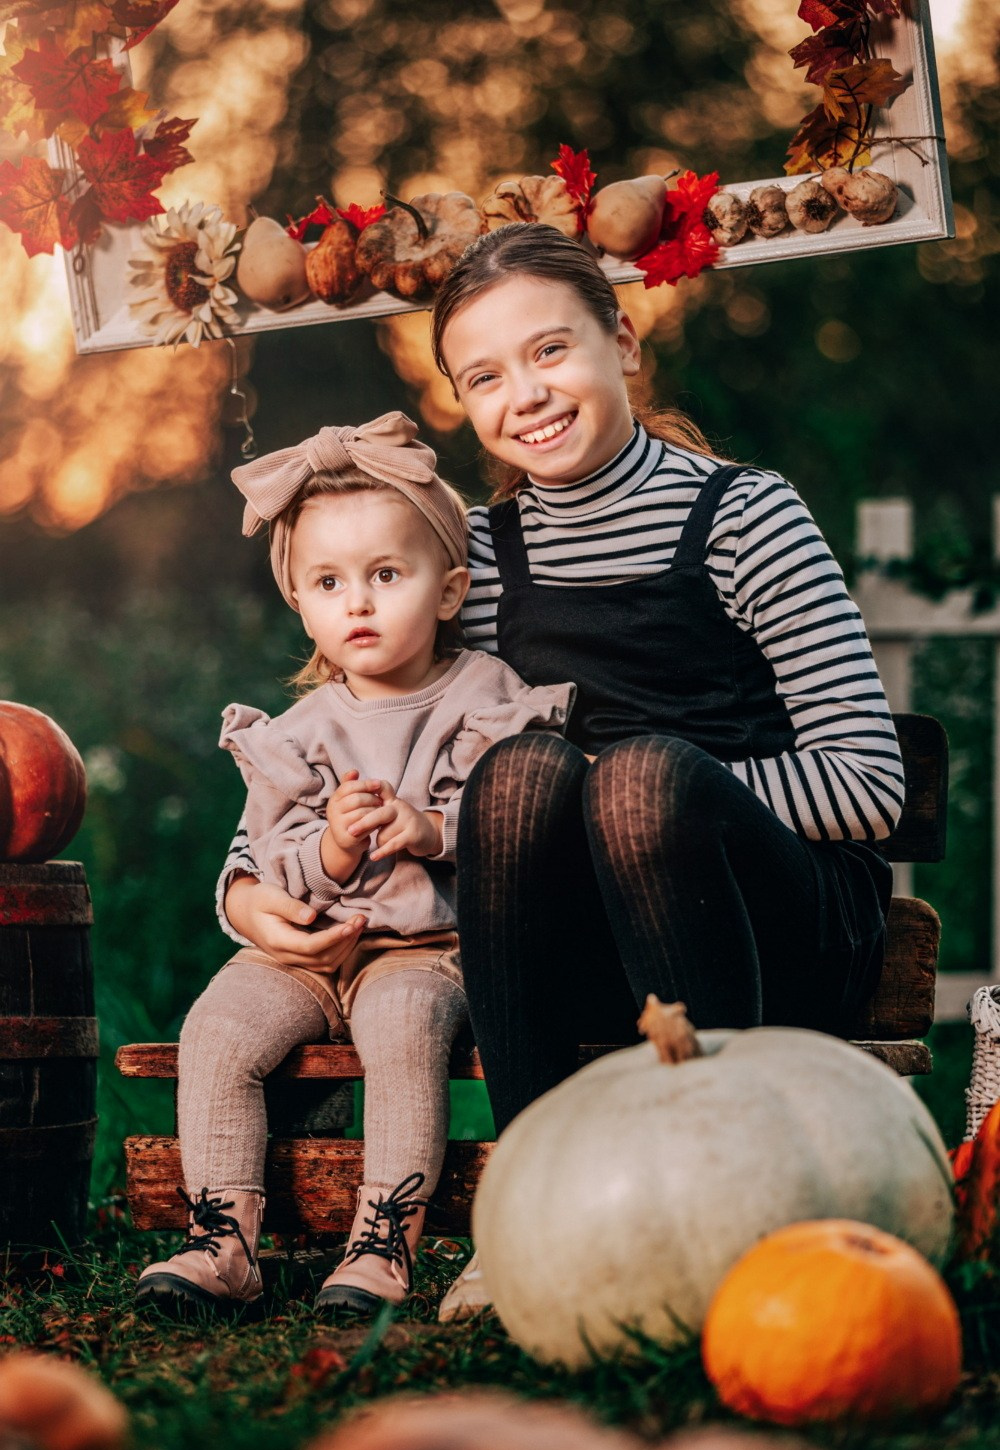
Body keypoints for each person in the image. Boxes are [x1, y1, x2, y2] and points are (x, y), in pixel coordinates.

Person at [217, 224, 905, 1322]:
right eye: (484, 375)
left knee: (632, 784)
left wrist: (648, 792)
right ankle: (531, 1215)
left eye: (550, 352)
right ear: (460, 401)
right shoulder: (472, 559)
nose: (524, 395)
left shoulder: (744, 516)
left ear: (622, 340)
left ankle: (724, 1203)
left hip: (760, 925)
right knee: (520, 776)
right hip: (566, 938)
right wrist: (251, 884)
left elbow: (871, 784)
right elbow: (351, 730)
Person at [135, 409, 572, 1317]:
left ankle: (383, 1245)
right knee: (218, 1028)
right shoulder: (295, 733)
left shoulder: (486, 699)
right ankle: (222, 1240)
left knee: (405, 1029)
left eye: (385, 575)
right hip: (300, 955)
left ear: (450, 590)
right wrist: (329, 848)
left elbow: (520, 819)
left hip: (424, 949)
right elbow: (270, 854)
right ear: (299, 601)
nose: (358, 602)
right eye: (328, 582)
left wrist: (431, 831)